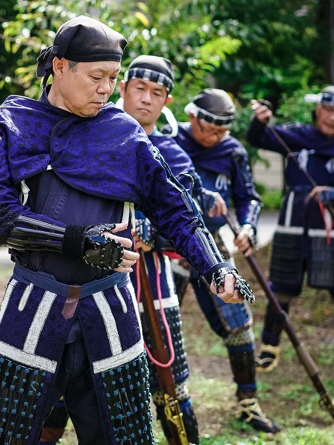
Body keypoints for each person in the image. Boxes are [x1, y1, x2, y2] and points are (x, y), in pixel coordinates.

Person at [0, 15, 252, 445]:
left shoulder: (123, 134)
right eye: (97, 76)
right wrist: (79, 241)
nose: (106, 89)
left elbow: (177, 209)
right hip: (31, 307)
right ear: (60, 67)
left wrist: (215, 267)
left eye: (114, 78)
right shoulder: (12, 122)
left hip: (110, 313)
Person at [38, 55, 228, 445]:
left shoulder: (173, 155)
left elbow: (186, 225)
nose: (145, 99)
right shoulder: (85, 136)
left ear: (167, 101)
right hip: (86, 282)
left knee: (169, 385)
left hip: (152, 287)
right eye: (139, 88)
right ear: (122, 88)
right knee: (57, 382)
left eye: (156, 93)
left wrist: (150, 234)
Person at [169, 88, 280, 433]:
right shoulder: (169, 141)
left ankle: (248, 402)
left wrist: (247, 226)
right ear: (192, 117)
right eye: (210, 129)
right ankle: (157, 402)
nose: (215, 137)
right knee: (153, 324)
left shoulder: (232, 152)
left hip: (213, 242)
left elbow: (248, 196)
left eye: (222, 131)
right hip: (168, 241)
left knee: (238, 322)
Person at [248, 88, 334, 372]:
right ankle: (270, 346)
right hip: (291, 225)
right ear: (317, 110)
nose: (331, 117)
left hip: (328, 231)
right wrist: (260, 119)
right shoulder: (298, 135)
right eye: (327, 110)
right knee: (282, 286)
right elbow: (258, 138)